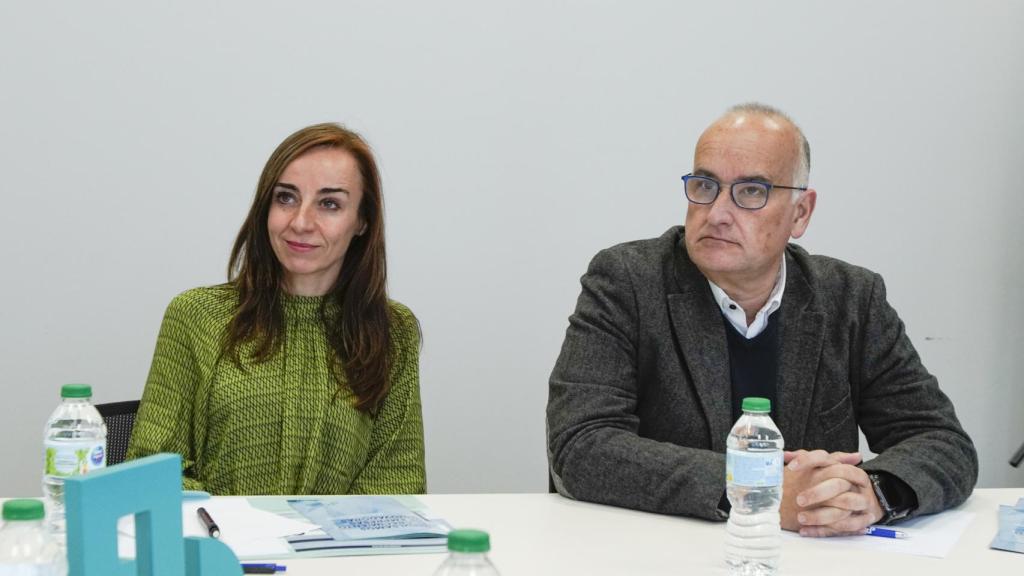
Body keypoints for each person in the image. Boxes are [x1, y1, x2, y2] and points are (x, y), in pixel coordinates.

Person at [546, 103, 977, 536]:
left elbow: (942, 442)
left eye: (751, 191)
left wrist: (872, 492)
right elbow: (581, 445)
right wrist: (759, 494)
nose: (716, 212)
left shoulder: (851, 298)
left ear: (801, 213)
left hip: (811, 557)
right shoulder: (628, 282)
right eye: (705, 185)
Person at [127, 123, 425, 495]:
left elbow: (397, 485)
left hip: (339, 552)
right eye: (285, 198)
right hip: (218, 547)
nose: (300, 222)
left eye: (329, 204)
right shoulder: (196, 316)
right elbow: (152, 470)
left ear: (362, 221)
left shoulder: (392, 331)